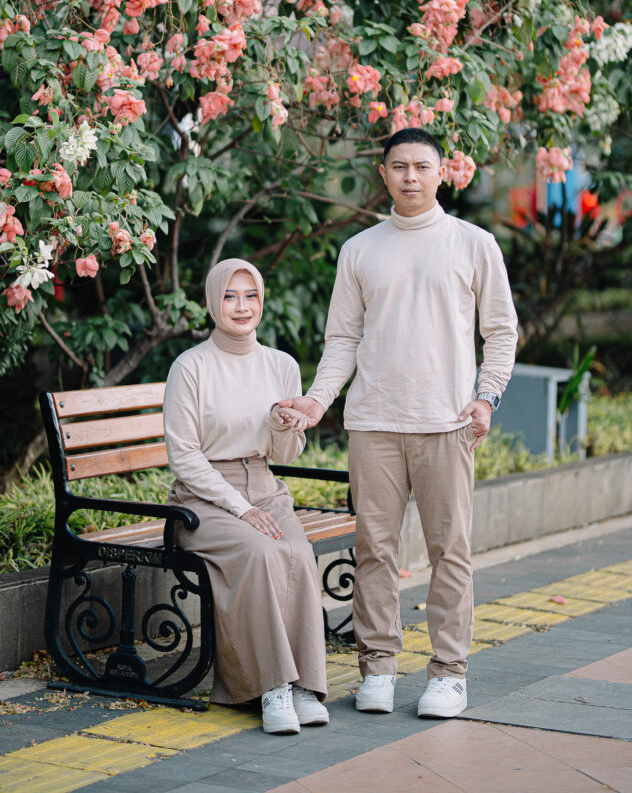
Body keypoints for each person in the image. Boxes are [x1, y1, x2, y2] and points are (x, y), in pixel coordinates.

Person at [278, 128, 518, 719]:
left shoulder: (474, 243)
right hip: (374, 424)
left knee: (450, 551)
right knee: (374, 552)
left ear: (443, 173)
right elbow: (342, 340)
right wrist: (317, 400)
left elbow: (502, 333)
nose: (410, 176)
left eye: (422, 166)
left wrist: (486, 397)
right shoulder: (360, 250)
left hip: (447, 423)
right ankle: (377, 668)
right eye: (398, 166)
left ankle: (449, 674)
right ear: (382, 174)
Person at [163, 257, 329, 734]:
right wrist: (241, 508)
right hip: (202, 499)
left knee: (297, 552)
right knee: (258, 552)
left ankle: (304, 686)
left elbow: (287, 452)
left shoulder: (281, 364)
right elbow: (185, 458)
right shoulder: (190, 366)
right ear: (214, 303)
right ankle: (269, 687)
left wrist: (281, 426)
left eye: (250, 295)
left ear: (262, 300)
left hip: (264, 486)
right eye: (230, 296)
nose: (241, 306)